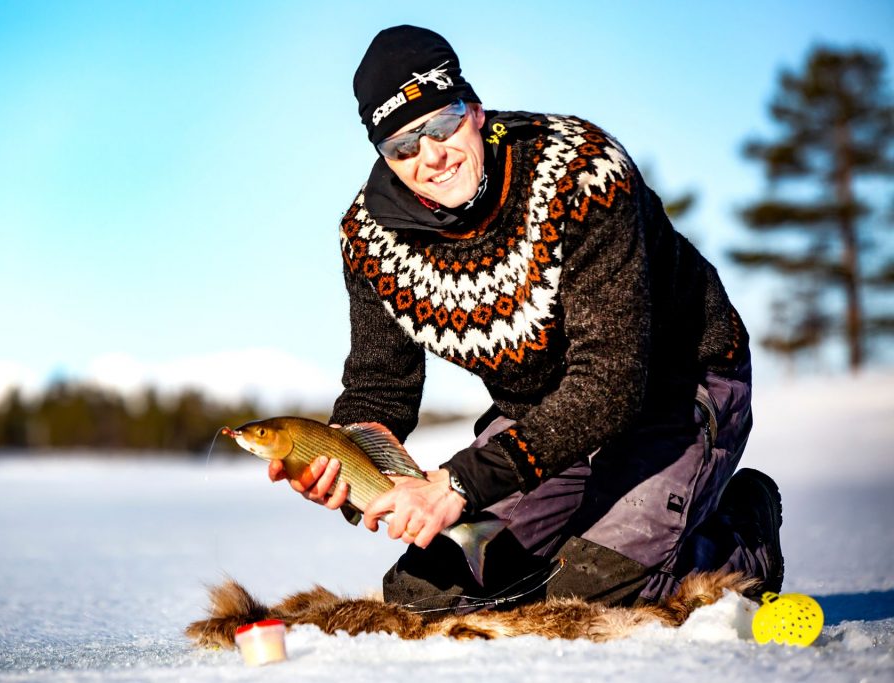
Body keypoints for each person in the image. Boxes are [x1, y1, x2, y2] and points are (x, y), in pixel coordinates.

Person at [269, 25, 784, 610]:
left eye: (441, 124)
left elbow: (610, 380)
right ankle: (584, 527)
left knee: (586, 592)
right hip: (540, 415)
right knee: (426, 598)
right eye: (403, 147)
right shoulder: (370, 238)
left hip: (674, 390)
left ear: (475, 111)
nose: (431, 156)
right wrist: (345, 463)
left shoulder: (582, 173)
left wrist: (461, 483)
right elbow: (379, 388)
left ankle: (742, 538)